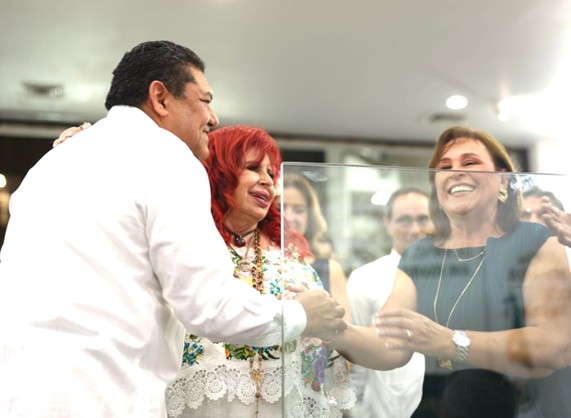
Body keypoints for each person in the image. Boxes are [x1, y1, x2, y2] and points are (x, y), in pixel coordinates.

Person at [0, 41, 345, 418]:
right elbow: (208, 305)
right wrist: (300, 315)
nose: (213, 118)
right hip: (105, 397)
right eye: (205, 100)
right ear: (160, 97)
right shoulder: (167, 158)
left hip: (20, 396)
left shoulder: (48, 165)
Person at [329, 126, 571, 417]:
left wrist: (451, 341)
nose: (455, 172)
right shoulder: (420, 254)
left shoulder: (536, 241)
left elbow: (555, 345)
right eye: (445, 167)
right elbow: (389, 345)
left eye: (470, 162)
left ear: (503, 179)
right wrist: (332, 330)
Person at [165, 125, 355, 417]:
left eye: (271, 172)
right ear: (219, 173)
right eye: (253, 168)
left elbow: (329, 354)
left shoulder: (291, 262)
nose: (268, 181)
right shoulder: (184, 246)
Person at [346, 187, 432, 418]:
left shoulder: (455, 272)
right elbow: (356, 359)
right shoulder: (364, 278)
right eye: (404, 220)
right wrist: (356, 412)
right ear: (388, 224)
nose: (415, 229)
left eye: (423, 219)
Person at [282, 174, 352, 323]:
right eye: (280, 208)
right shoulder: (255, 262)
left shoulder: (330, 269)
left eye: (298, 210)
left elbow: (345, 329)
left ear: (310, 216)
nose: (288, 217)